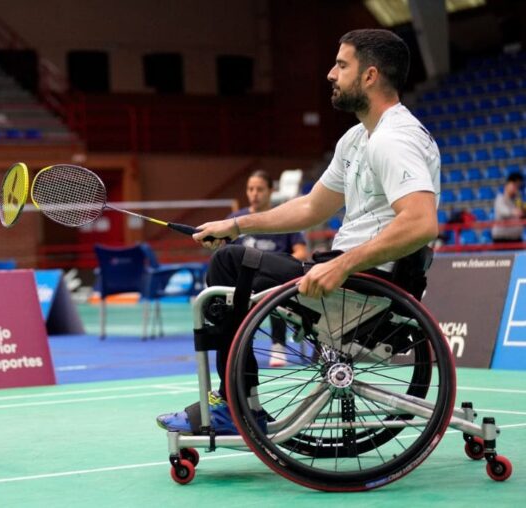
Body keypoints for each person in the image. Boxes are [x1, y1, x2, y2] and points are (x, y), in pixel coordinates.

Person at [157, 28, 440, 436]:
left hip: (366, 288)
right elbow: (312, 207)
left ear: (370, 76)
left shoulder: (394, 139)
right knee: (233, 256)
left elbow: (420, 222)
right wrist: (237, 224)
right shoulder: (359, 138)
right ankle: (236, 402)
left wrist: (342, 264)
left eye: (341, 65)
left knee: (229, 265)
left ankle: (235, 404)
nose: (330, 73)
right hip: (353, 281)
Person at [229, 170, 308, 367]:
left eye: (260, 189)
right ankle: (239, 349)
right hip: (245, 281)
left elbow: (301, 252)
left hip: (275, 282)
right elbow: (226, 254)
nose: (254, 193)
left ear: (271, 191)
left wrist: (279, 265)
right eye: (250, 189)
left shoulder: (283, 218)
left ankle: (278, 346)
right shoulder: (236, 220)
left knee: (272, 290)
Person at [491, 173, 524, 244]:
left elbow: (522, 214)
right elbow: (503, 211)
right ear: (507, 185)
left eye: (519, 186)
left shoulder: (518, 200)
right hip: (502, 240)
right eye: (514, 185)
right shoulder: (500, 198)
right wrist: (514, 212)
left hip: (516, 239)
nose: (516, 188)